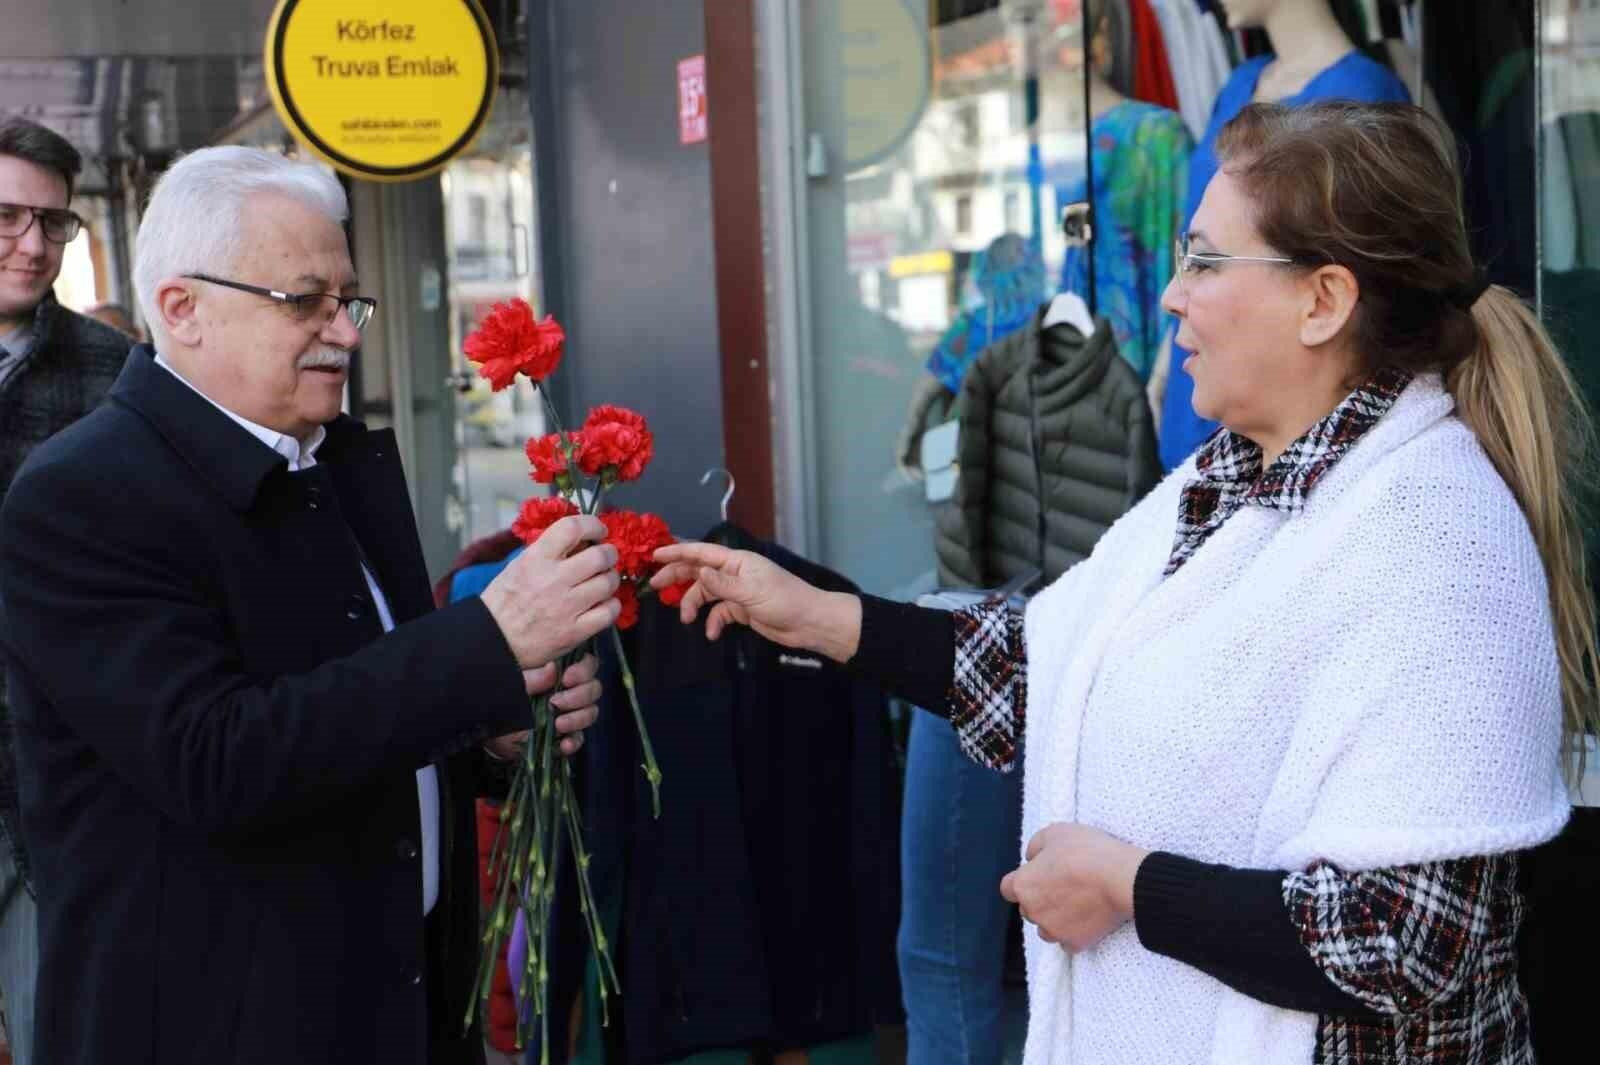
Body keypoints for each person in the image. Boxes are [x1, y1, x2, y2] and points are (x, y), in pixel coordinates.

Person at [653, 101, 1597, 1065]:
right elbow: (1061, 670)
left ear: (1323, 301)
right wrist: (818, 618)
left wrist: (1128, 888)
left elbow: (1403, 936)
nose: (1172, 298)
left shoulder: (1436, 540)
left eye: (1206, 262)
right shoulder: (1225, 480)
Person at [0, 146, 623, 1065]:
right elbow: (218, 761)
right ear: (183, 309)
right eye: (304, 301)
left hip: (393, 1005)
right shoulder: (83, 493)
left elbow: (370, 716)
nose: (345, 330)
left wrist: (493, 732)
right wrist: (487, 641)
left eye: (348, 299)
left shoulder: (333, 461)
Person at [0, 114, 135, 1065]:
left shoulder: (115, 373)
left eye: (54, 224)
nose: (32, 244)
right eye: (6, 216)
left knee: (61, 1027)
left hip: (52, 767)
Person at [1158, 0, 1411, 467]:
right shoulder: (1240, 85)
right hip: (1203, 348)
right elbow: (1198, 230)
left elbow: (1366, 288)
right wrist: (1166, 352)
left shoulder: (1363, 95)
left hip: (1289, 389)